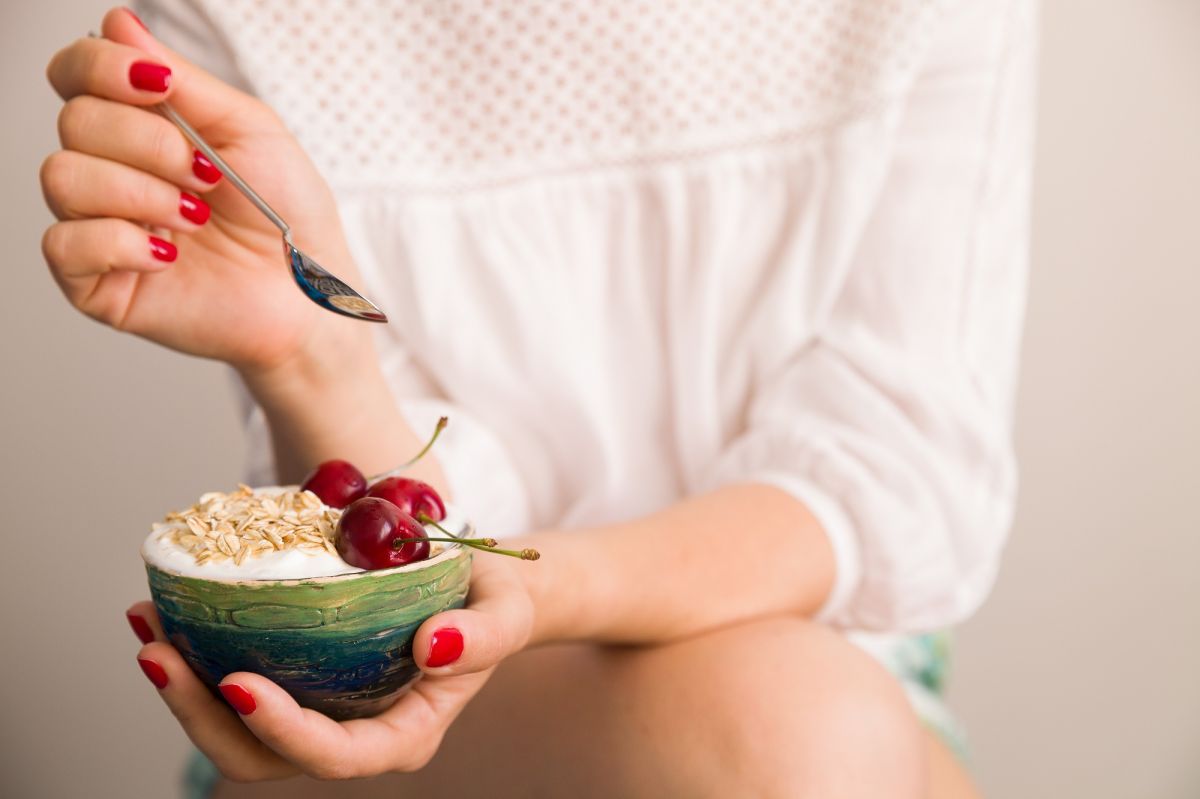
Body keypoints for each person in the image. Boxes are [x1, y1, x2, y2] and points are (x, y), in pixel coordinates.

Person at [41, 2, 1032, 796]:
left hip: (817, 671)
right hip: (416, 680)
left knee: (808, 721)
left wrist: (540, 591)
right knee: (807, 733)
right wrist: (314, 360)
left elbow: (884, 478)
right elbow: (398, 545)